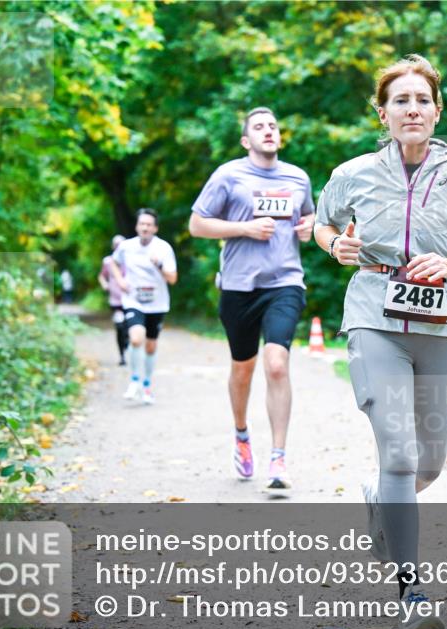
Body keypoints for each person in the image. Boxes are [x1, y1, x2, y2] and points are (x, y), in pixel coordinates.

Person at [313, 54, 447, 629]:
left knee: (426, 463)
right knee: (400, 453)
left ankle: (381, 500)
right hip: (374, 316)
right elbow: (320, 223)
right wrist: (336, 247)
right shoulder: (353, 172)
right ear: (382, 113)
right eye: (400, 100)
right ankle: (412, 591)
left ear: (437, 110)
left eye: (422, 100)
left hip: (441, 328)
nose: (412, 109)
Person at [188, 107, 315, 490]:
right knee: (243, 369)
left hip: (285, 282)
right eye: (259, 127)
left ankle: (278, 458)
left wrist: (309, 227)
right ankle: (242, 436)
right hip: (238, 286)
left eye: (273, 125)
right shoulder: (229, 175)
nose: (268, 131)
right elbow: (197, 224)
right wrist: (243, 228)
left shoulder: (298, 177)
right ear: (246, 140)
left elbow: (308, 222)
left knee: (277, 363)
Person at [110, 209, 178, 405]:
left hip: (157, 304)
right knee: (136, 338)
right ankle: (134, 380)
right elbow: (112, 263)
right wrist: (120, 280)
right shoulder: (126, 246)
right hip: (133, 300)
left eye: (149, 224)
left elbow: (172, 278)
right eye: (142, 224)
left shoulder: (164, 248)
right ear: (137, 226)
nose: (145, 227)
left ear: (155, 228)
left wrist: (158, 265)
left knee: (150, 346)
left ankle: (147, 385)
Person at [98, 234, 128, 365]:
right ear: (112, 246)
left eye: (120, 244)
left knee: (129, 327)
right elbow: (102, 276)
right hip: (115, 300)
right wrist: (105, 284)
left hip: (131, 299)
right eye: (116, 245)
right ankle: (122, 355)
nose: (118, 247)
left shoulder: (130, 259)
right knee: (119, 327)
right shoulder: (108, 261)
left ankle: (128, 343)